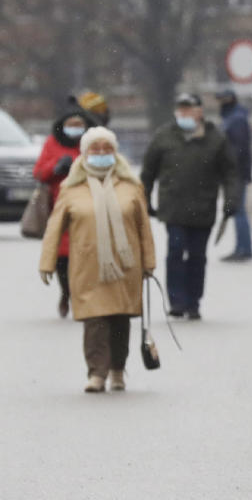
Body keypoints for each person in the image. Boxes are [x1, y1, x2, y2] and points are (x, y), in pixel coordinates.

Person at [39, 127, 156, 392]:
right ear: (84, 153)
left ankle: (117, 371)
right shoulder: (71, 188)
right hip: (88, 266)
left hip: (126, 267)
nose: (101, 154)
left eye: (107, 149)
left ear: (115, 153)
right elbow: (54, 227)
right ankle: (96, 374)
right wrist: (47, 262)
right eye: (95, 149)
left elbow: (143, 228)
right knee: (94, 322)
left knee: (119, 320)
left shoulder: (130, 186)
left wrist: (149, 262)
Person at [140, 92, 239, 320]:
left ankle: (193, 302)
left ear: (199, 112)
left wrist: (231, 200)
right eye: (181, 110)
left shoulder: (216, 138)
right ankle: (176, 301)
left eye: (189, 110)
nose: (184, 114)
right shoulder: (164, 137)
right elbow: (147, 173)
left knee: (197, 256)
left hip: (203, 209)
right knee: (175, 251)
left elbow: (230, 173)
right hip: (172, 208)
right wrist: (144, 200)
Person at [32, 101, 96, 317]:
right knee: (62, 255)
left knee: (85, 253)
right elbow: (39, 172)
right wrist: (56, 167)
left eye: (79, 124)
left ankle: (81, 293)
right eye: (71, 123)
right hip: (59, 207)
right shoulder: (52, 143)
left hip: (88, 206)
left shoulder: (93, 143)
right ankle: (66, 292)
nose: (75, 127)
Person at [215, 89, 252, 262]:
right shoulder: (233, 117)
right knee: (238, 210)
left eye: (222, 99)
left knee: (238, 210)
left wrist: (230, 169)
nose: (219, 103)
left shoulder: (236, 119)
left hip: (236, 172)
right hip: (236, 172)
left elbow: (238, 149)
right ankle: (242, 247)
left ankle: (244, 249)